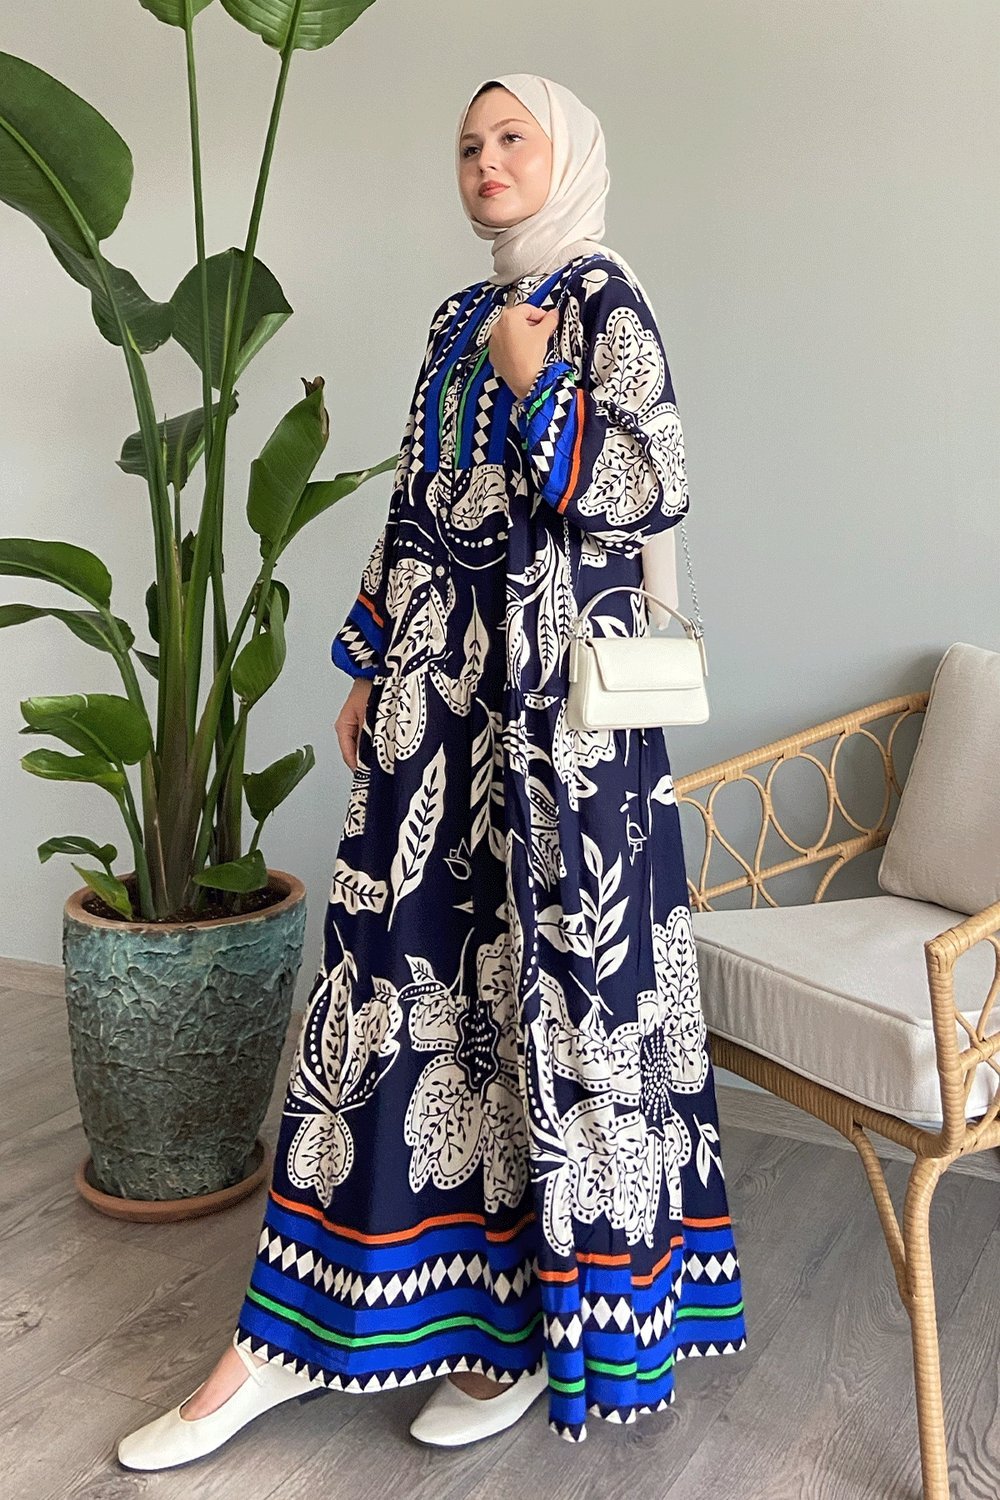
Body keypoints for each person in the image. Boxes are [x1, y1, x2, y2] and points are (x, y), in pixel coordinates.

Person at [117, 72, 747, 1470]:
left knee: (551, 1001)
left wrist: (538, 389)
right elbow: (417, 503)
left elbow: (648, 490)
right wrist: (365, 661)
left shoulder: (605, 300)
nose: (485, 161)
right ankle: (289, 1337)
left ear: (568, 151)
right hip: (435, 704)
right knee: (400, 983)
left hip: (564, 731)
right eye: (468, 145)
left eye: (511, 137)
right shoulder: (459, 317)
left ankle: (515, 1336)